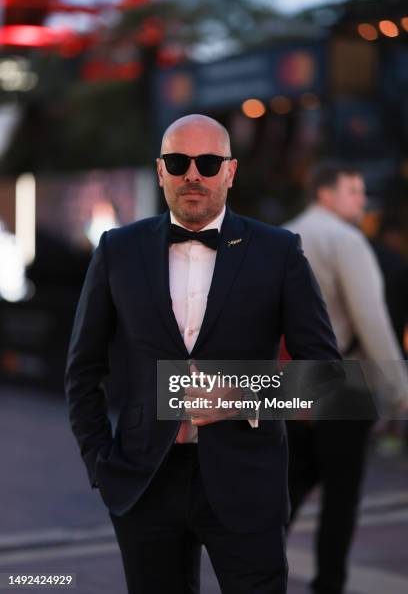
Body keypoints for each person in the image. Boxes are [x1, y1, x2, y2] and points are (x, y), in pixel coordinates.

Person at [65, 115, 340, 594]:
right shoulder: (118, 249)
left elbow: (329, 379)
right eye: (178, 162)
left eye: (208, 162)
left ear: (230, 172)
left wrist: (240, 397)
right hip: (143, 483)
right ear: (160, 171)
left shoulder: (278, 251)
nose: (193, 174)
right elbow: (83, 370)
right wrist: (101, 463)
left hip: (247, 480)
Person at [284, 160, 408, 594]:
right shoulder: (347, 241)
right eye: (353, 191)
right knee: (341, 493)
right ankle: (328, 584)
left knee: (291, 481)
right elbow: (371, 322)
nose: (362, 200)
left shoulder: (280, 236)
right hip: (344, 378)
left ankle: (254, 570)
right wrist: (399, 390)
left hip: (290, 378)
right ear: (325, 194)